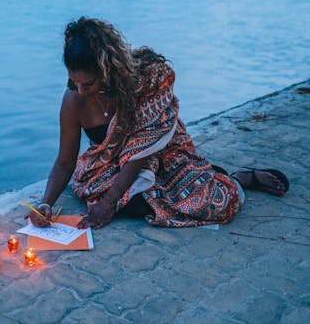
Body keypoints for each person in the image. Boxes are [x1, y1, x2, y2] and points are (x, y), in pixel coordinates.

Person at [29, 16, 289, 230]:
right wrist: (46, 204)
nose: (81, 90)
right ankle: (198, 177)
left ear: (106, 70)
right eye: (75, 82)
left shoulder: (143, 82)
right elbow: (65, 161)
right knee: (105, 197)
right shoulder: (74, 100)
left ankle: (238, 178)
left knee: (207, 203)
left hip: (162, 155)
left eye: (89, 83)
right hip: (109, 164)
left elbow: (141, 151)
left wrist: (109, 203)